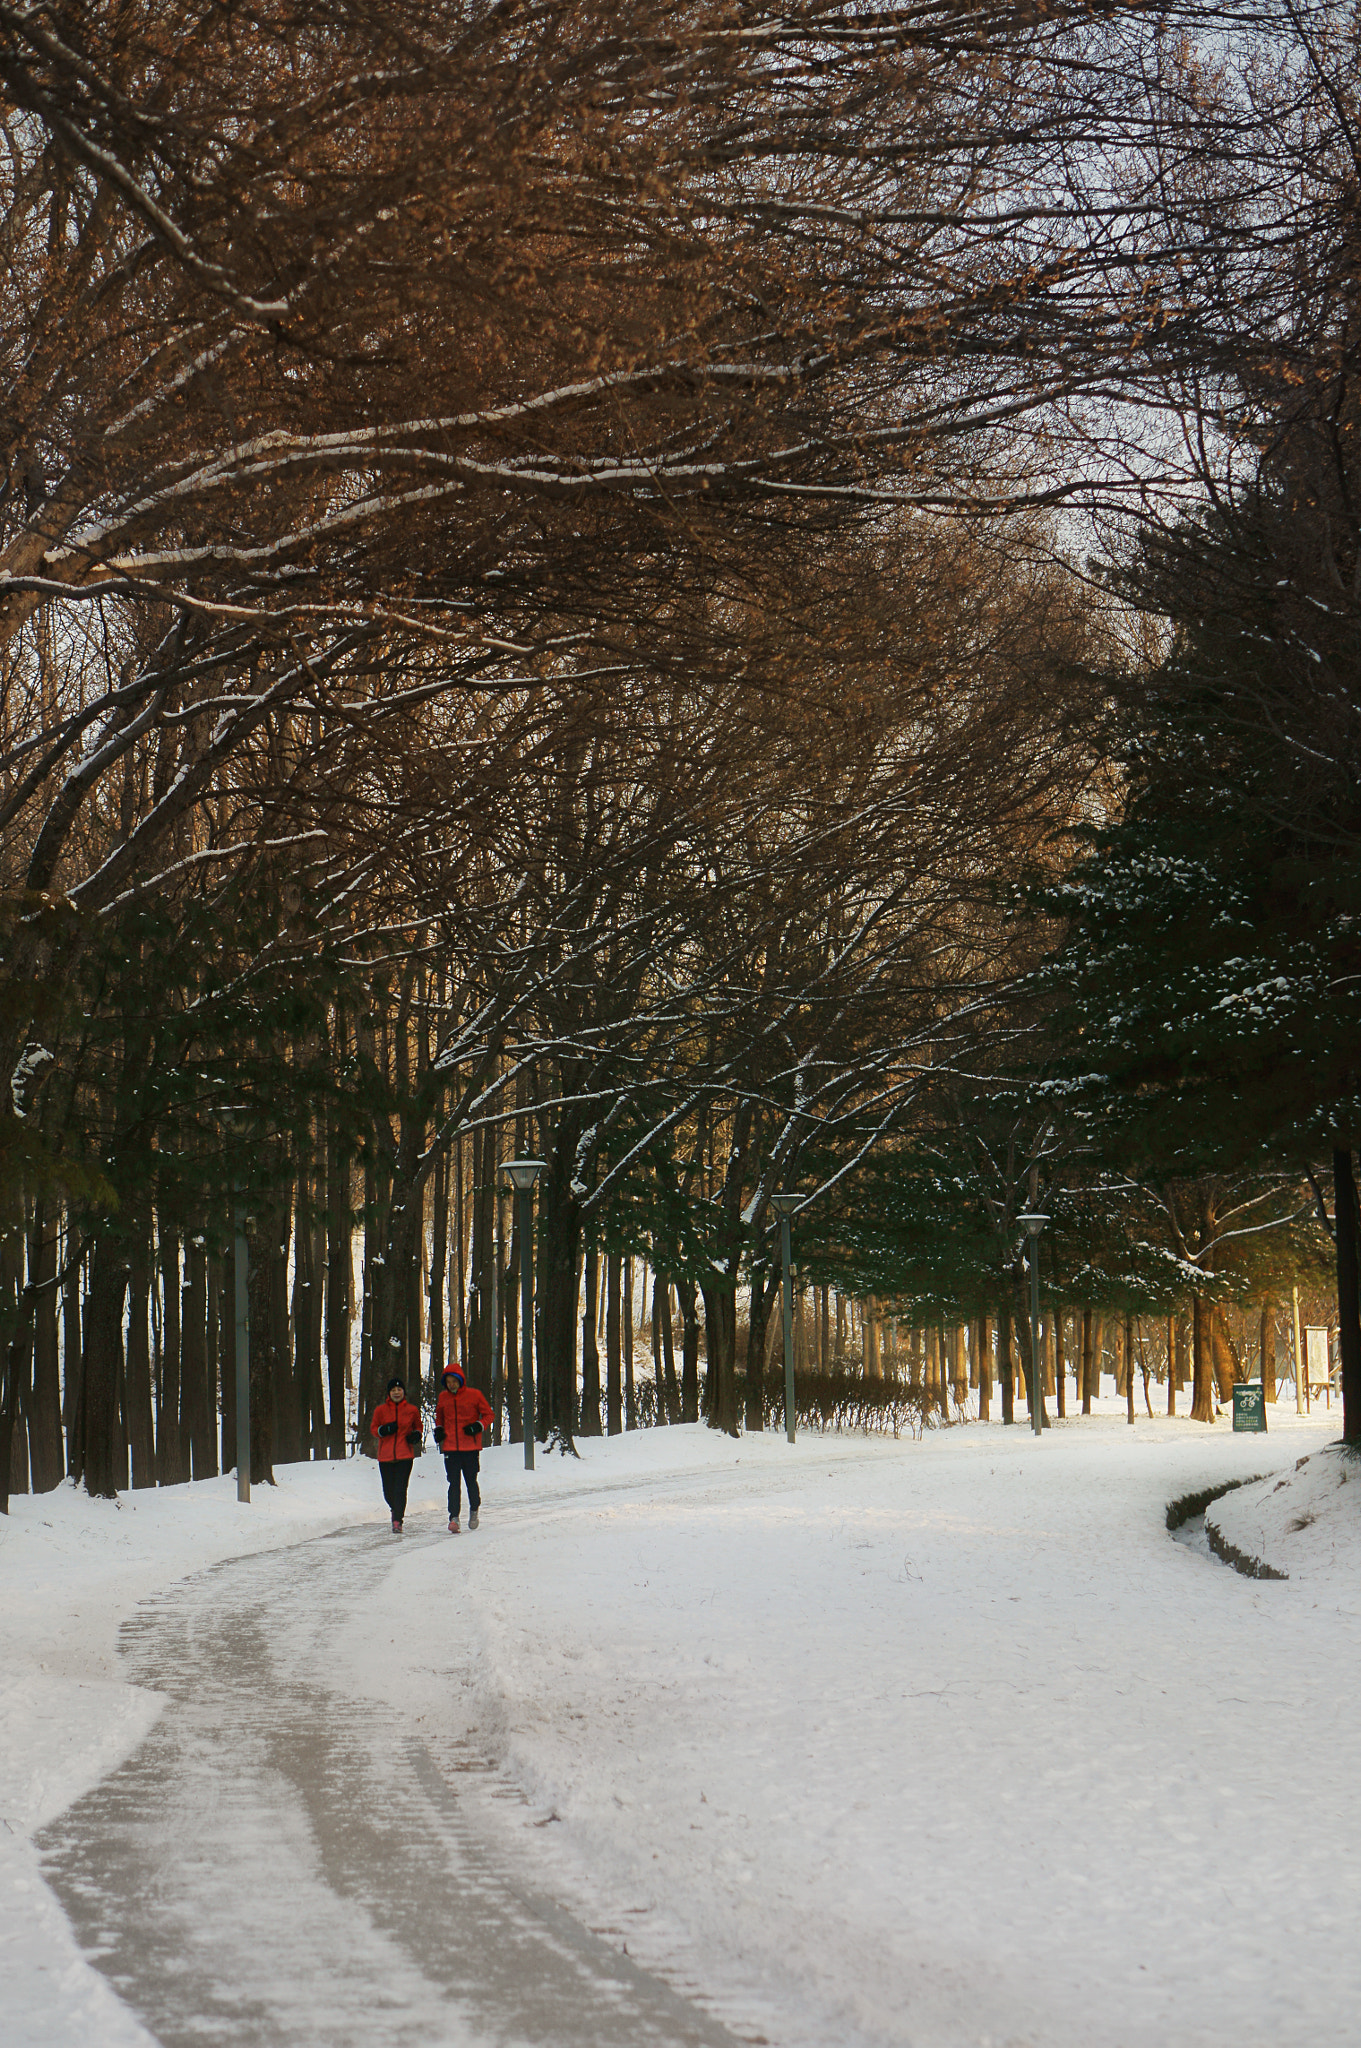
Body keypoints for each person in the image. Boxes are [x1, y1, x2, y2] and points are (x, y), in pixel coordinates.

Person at [434, 1364, 494, 1533]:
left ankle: (474, 1510)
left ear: (461, 1381)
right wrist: (439, 1429)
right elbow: (440, 1417)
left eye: (454, 1381)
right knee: (453, 1483)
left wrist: (478, 1426)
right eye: (448, 1381)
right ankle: (454, 1518)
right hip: (451, 1447)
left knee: (470, 1481)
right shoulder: (443, 1397)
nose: (451, 1384)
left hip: (470, 1447)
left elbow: (489, 1414)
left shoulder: (474, 1395)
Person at [370, 1376, 423, 1532]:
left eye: (399, 1389)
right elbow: (374, 1429)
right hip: (385, 1456)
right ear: (389, 1393)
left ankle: (397, 1521)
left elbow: (418, 1426)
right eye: (393, 1390)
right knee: (388, 1492)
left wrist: (416, 1435)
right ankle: (396, 1510)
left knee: (400, 1489)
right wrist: (383, 1430)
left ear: (403, 1392)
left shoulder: (412, 1410)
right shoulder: (380, 1410)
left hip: (404, 1455)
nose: (396, 1392)